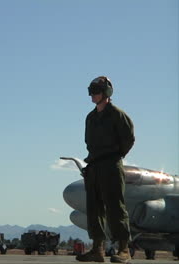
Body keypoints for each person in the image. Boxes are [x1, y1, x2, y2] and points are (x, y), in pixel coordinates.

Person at [76, 76, 135, 263]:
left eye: (97, 91)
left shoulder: (117, 115)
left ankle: (124, 249)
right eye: (91, 91)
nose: (93, 95)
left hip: (111, 165)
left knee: (115, 207)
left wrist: (114, 157)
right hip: (94, 166)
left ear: (107, 93)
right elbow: (88, 142)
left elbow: (128, 139)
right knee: (94, 208)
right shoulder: (91, 117)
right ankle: (97, 250)